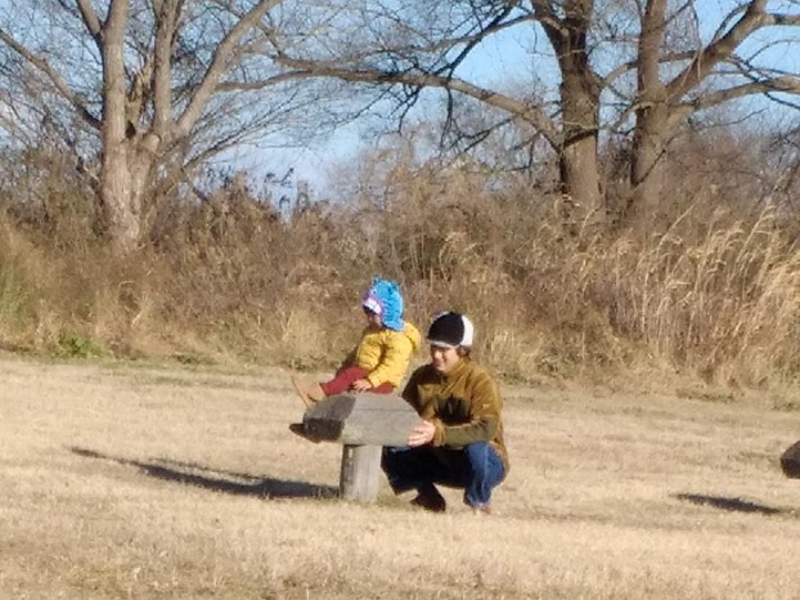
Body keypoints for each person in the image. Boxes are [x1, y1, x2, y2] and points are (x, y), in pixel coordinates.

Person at [381, 311, 509, 515]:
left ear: (462, 350)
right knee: (392, 445)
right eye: (433, 347)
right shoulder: (421, 377)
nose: (436, 354)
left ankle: (479, 502)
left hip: (483, 463)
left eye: (444, 349)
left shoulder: (480, 381)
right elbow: (404, 417)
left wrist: (439, 434)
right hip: (441, 457)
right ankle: (428, 497)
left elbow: (485, 429)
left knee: (475, 447)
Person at [291, 278, 421, 407]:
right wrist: (345, 365)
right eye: (367, 313)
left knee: (352, 375)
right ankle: (321, 409)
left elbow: (392, 366)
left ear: (387, 313)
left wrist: (370, 381)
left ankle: (320, 392)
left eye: (373, 314)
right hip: (364, 373)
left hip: (382, 382)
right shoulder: (371, 331)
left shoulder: (398, 338)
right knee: (347, 374)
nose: (369, 318)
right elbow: (360, 352)